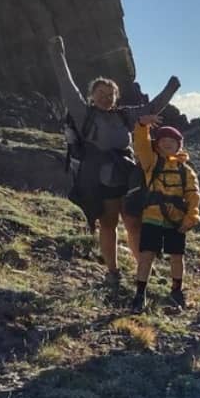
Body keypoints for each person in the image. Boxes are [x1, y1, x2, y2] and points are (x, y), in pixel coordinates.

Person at [48, 35, 180, 286]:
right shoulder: (82, 113)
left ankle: (143, 270)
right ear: (92, 95)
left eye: (111, 94)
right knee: (108, 224)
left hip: (127, 177)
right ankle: (113, 272)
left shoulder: (123, 116)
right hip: (100, 179)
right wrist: (58, 54)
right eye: (101, 93)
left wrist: (171, 88)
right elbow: (66, 85)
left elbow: (150, 109)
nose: (106, 97)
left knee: (133, 224)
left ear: (117, 97)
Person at [129, 119, 200, 312]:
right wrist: (142, 126)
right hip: (151, 218)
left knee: (177, 256)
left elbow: (193, 195)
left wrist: (191, 217)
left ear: (180, 145)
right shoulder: (150, 163)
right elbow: (141, 144)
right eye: (163, 139)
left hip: (177, 221)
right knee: (146, 256)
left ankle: (177, 291)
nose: (168, 143)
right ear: (157, 143)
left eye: (173, 140)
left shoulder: (187, 172)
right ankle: (139, 294)